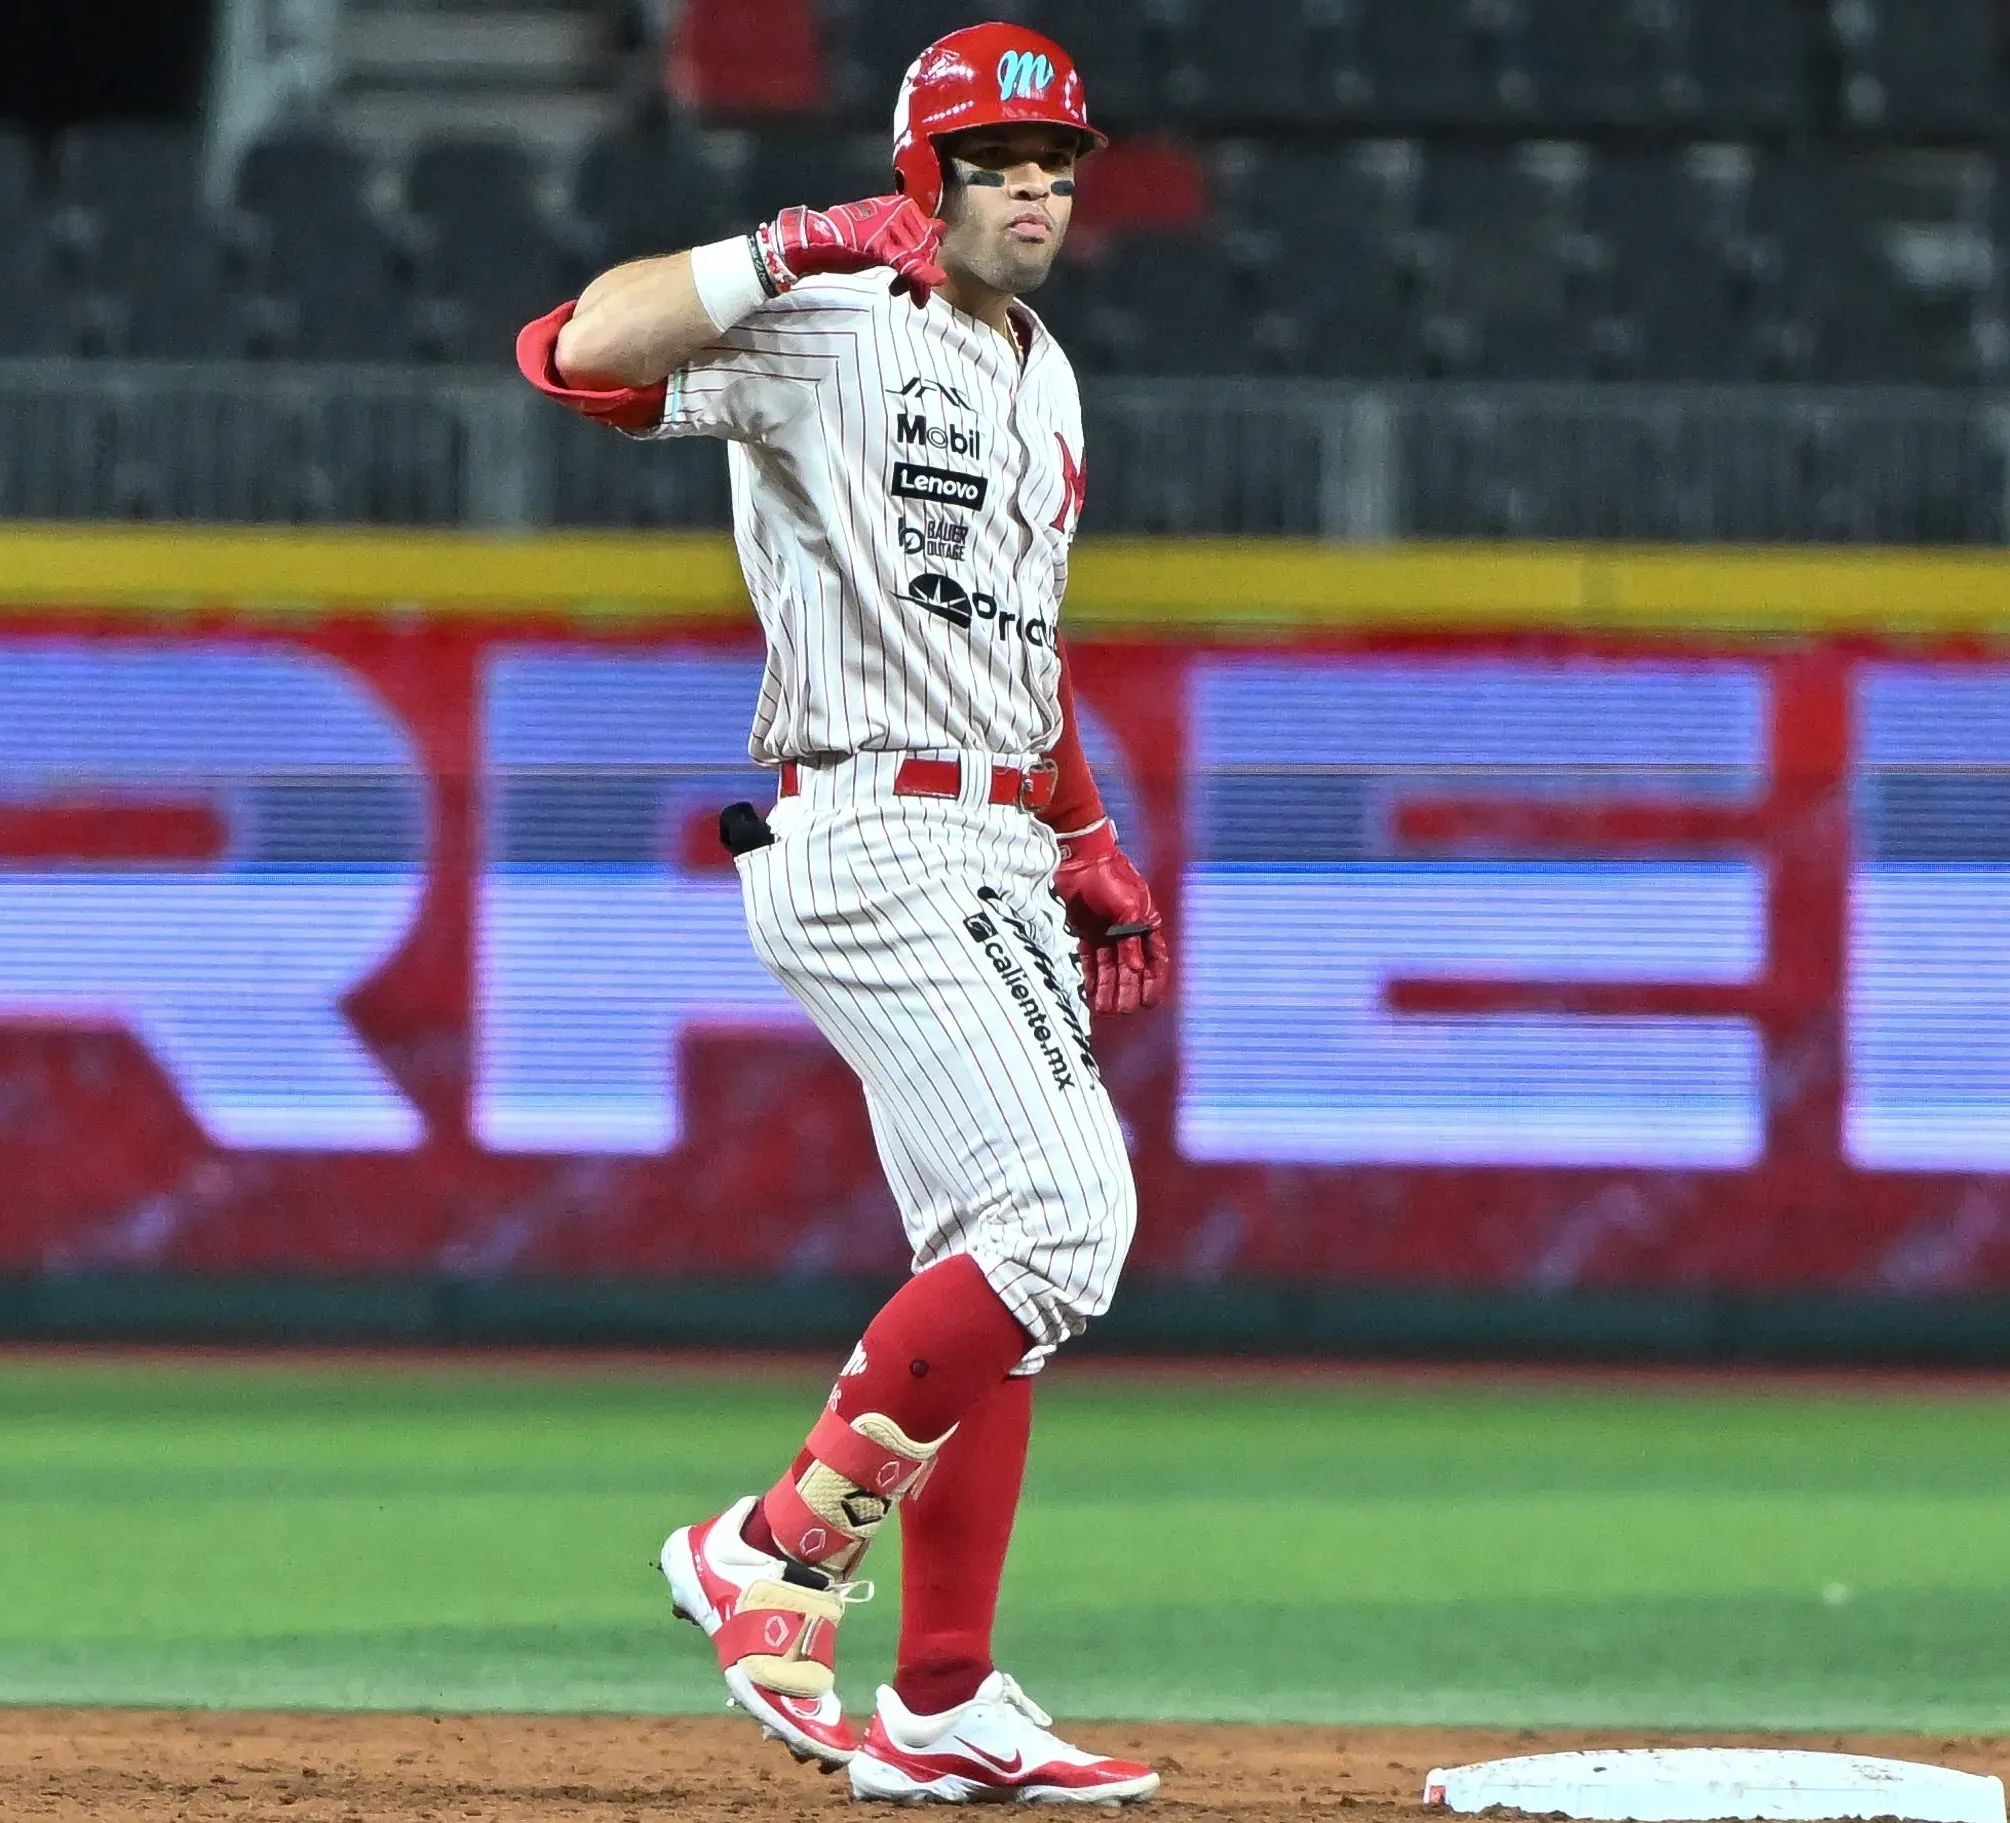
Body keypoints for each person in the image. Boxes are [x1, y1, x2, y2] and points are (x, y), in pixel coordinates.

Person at [516, 20, 1170, 1809]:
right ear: (924, 174)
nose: (1034, 189)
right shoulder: (828, 317)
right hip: (870, 826)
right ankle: (774, 1549)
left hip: (992, 836)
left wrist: (1086, 828)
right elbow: (574, 349)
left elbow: (1015, 650)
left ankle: (942, 1696)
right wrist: (784, 246)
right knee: (1065, 1223)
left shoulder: (1046, 374)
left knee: (996, 1271)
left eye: (1055, 164)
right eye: (996, 162)